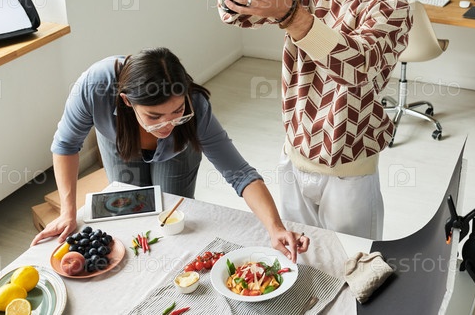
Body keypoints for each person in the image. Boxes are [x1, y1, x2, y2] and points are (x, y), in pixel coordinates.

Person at [190, 0, 412, 239]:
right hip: (294, 158)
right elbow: (242, 14)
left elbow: (355, 67)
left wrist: (291, 14)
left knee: (353, 262)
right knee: (303, 258)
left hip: (349, 172)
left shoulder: (388, 5)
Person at [31, 47, 308, 261]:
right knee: (128, 212)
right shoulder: (94, 86)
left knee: (169, 218)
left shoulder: (196, 105)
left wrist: (275, 227)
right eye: (154, 116)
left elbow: (240, 173)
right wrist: (68, 213)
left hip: (177, 153)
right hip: (120, 146)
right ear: (127, 101)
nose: (166, 125)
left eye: (177, 111)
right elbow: (66, 145)